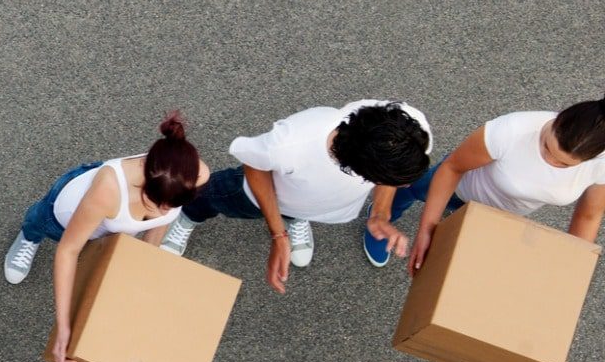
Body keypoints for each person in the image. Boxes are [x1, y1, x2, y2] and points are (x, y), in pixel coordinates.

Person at [2, 114, 211, 362]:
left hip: (106, 227)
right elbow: (68, 251)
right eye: (158, 203)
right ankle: (29, 238)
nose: (166, 211)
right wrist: (64, 323)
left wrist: (147, 260)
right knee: (40, 222)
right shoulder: (107, 191)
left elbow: (161, 221)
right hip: (64, 215)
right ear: (145, 181)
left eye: (173, 206)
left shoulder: (195, 174)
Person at [162, 100, 430, 292]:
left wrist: (380, 214)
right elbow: (254, 166)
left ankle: (296, 217)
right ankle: (188, 217)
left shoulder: (409, 129)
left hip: (310, 203)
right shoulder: (290, 144)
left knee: (299, 205)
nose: (405, 188)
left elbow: (393, 170)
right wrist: (278, 235)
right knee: (212, 197)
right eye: (387, 181)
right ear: (359, 169)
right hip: (254, 196)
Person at [365, 96, 605, 273]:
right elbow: (452, 168)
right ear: (559, 117)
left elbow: (588, 217)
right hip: (461, 187)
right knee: (414, 189)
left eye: (563, 165)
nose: (549, 161)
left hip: (496, 214)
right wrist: (427, 229)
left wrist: (574, 270)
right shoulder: (511, 130)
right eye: (546, 147)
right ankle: (382, 218)